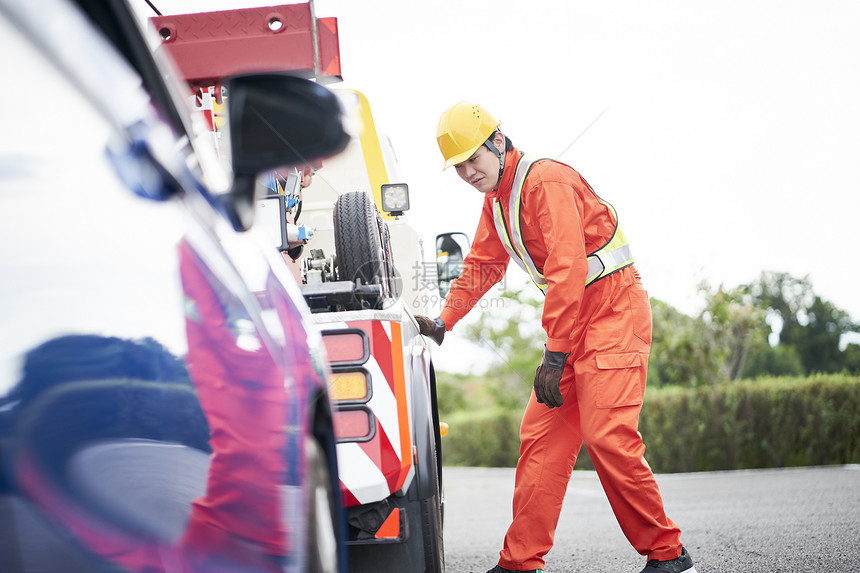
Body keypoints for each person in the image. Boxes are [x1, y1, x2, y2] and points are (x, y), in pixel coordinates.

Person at [415, 102, 696, 573]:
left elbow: (566, 271)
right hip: (573, 328)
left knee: (608, 436)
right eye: (458, 165)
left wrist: (555, 355)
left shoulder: (545, 181)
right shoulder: (497, 203)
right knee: (541, 440)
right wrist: (445, 320)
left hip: (613, 313)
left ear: (498, 143)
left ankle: (667, 551)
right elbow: (484, 264)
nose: (467, 171)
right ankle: (520, 561)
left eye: (472, 159)